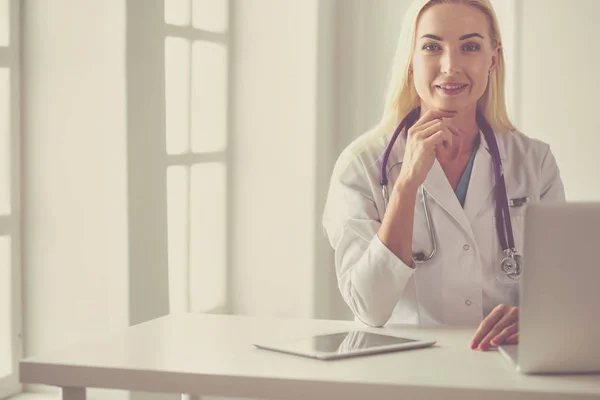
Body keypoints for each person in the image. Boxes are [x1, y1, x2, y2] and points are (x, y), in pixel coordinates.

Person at [322, 0, 565, 351]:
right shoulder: (361, 165)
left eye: (469, 47)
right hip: (403, 370)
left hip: (505, 366)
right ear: (411, 58)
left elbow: (564, 290)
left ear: (492, 60)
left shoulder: (534, 161)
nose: (451, 66)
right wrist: (405, 185)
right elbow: (369, 308)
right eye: (432, 47)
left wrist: (539, 317)